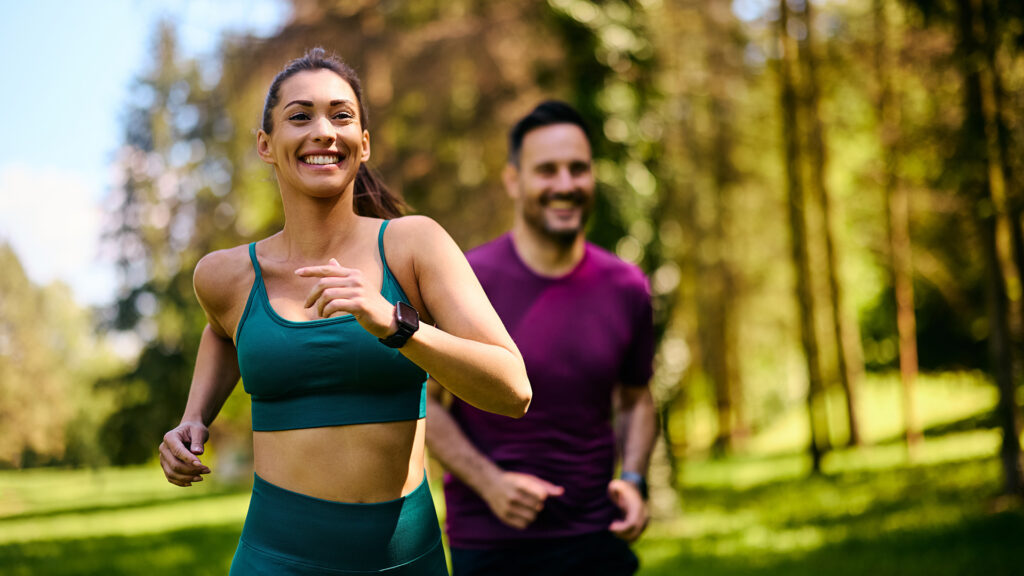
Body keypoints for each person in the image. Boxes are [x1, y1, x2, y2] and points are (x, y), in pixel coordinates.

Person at [157, 47, 532, 576]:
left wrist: (397, 325)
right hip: (275, 560)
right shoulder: (224, 277)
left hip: (406, 560)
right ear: (266, 146)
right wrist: (193, 418)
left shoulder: (414, 246)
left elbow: (514, 390)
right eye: (300, 116)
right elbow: (222, 331)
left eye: (341, 115)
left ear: (364, 143)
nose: (324, 131)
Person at [425, 100, 658, 576]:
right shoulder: (467, 281)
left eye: (578, 169)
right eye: (547, 170)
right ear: (513, 180)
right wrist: (489, 482)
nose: (566, 185)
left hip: (597, 540)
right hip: (490, 546)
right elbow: (426, 404)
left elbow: (636, 399)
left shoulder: (627, 287)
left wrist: (633, 479)